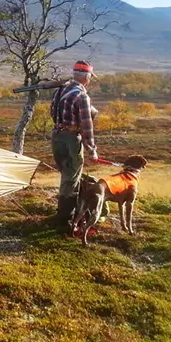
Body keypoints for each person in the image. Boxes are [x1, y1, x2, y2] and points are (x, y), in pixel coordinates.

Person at [50, 60, 99, 232]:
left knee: (66, 174)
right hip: (71, 139)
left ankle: (65, 213)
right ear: (86, 77)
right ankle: (65, 220)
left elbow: (52, 113)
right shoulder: (82, 96)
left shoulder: (59, 90)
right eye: (90, 77)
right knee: (71, 179)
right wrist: (91, 150)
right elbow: (87, 126)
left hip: (56, 136)